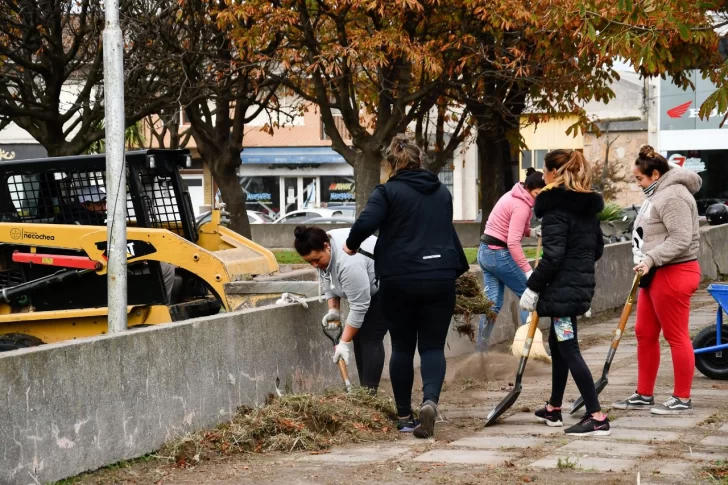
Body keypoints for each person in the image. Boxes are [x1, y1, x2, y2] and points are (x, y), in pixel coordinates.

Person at [343, 134, 469, 439]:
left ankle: (404, 416)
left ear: (391, 164)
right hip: (440, 275)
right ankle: (430, 401)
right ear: (420, 161)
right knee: (432, 346)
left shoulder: (387, 191)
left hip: (399, 278)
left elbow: (365, 222)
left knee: (401, 346)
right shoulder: (441, 192)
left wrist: (350, 245)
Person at [520, 149, 609, 436]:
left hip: (561, 292)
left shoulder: (556, 209)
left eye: (545, 172)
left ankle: (596, 416)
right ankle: (554, 409)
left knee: (568, 348)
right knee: (559, 347)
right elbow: (596, 249)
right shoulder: (587, 208)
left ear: (554, 174)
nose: (542, 177)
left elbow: (553, 257)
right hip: (576, 288)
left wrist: (533, 287)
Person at [613, 146, 701, 415]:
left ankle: (682, 397)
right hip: (653, 273)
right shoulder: (658, 192)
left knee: (676, 336)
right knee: (645, 333)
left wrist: (650, 259)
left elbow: (680, 238)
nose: (637, 184)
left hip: (673, 272)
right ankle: (644, 393)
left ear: (654, 174)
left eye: (639, 179)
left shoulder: (673, 196)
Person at [293, 226, 389, 391]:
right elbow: (327, 278)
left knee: (370, 336)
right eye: (310, 262)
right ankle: (364, 390)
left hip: (387, 283)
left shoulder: (348, 262)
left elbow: (359, 306)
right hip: (366, 286)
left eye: (317, 259)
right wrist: (334, 310)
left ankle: (369, 394)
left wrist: (343, 343)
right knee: (359, 336)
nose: (315, 264)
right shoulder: (320, 250)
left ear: (326, 246)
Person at [57, 185, 175, 303]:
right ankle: (160, 307)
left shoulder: (90, 220)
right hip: (95, 272)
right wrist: (136, 257)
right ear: (85, 205)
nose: (103, 208)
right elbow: (99, 252)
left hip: (108, 264)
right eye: (99, 204)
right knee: (165, 268)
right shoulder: (80, 224)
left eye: (104, 203)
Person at [476, 170, 546, 351]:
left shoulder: (514, 195)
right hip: (499, 254)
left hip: (485, 252)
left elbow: (513, 227)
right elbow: (513, 242)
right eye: (537, 194)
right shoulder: (521, 206)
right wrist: (528, 271)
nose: (538, 199)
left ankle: (480, 351)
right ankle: (529, 349)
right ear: (529, 188)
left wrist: (532, 232)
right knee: (528, 296)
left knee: (492, 305)